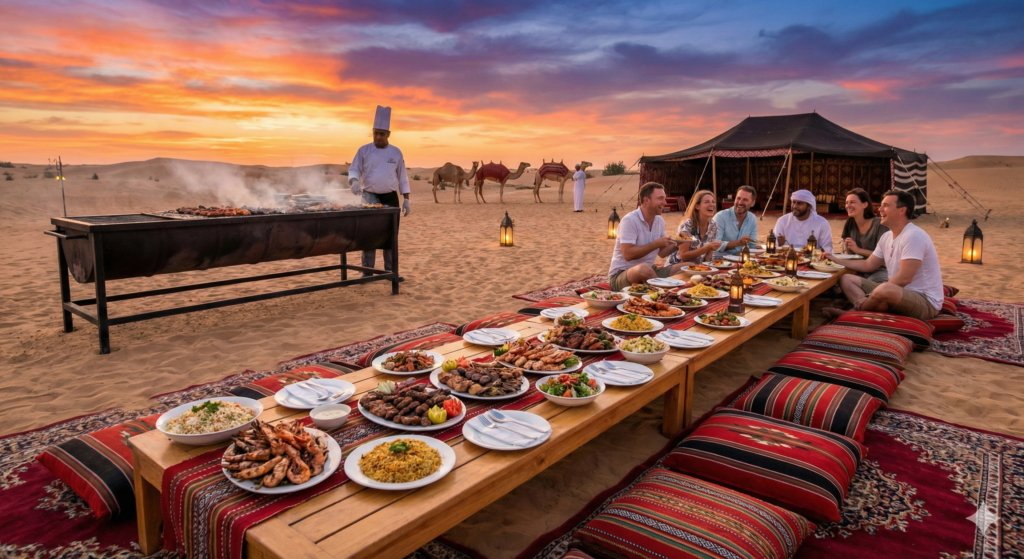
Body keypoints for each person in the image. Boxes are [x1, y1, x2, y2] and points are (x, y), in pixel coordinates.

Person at [824, 190, 943, 320]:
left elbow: (904, 279)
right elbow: (869, 264)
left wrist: (871, 295)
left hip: (924, 301)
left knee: (885, 289)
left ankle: (854, 314)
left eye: (885, 205)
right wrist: (836, 260)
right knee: (846, 279)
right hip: (897, 292)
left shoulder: (913, 235)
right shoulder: (887, 236)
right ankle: (865, 311)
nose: (879, 209)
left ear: (902, 210)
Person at [348, 105, 411, 273]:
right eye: (375, 132)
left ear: (388, 135)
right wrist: (354, 181)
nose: (378, 136)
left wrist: (406, 199)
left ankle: (391, 273)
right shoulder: (363, 150)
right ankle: (367, 272)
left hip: (390, 199)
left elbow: (402, 177)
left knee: (390, 238)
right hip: (368, 198)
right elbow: (354, 169)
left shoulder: (396, 153)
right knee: (368, 236)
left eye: (381, 134)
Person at [607, 182, 687, 291]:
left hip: (649, 270)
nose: (665, 202)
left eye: (664, 198)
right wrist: (656, 244)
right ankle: (665, 294)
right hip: (622, 274)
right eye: (660, 198)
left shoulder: (659, 220)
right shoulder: (630, 220)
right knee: (643, 269)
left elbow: (662, 253)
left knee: (687, 267)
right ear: (646, 200)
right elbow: (628, 254)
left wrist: (679, 243)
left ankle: (674, 289)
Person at [840, 188, 888, 283]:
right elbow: (849, 255)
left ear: (865, 204)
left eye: (852, 202)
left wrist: (858, 250)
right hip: (856, 269)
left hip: (879, 270)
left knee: (874, 285)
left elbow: (884, 256)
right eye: (846, 203)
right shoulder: (850, 223)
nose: (848, 206)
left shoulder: (880, 225)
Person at [667, 190, 723, 266]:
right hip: (678, 267)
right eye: (707, 202)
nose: (711, 204)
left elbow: (708, 255)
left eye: (713, 202)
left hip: (697, 268)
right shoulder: (687, 225)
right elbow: (683, 256)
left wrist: (708, 268)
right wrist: (706, 248)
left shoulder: (713, 225)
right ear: (697, 206)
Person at [712, 185, 758, 255]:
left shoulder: (752, 218)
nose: (740, 202)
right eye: (738, 198)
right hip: (719, 261)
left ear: (752, 203)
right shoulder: (720, 217)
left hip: (742, 260)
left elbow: (752, 245)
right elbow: (715, 245)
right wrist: (738, 243)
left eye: (745, 200)